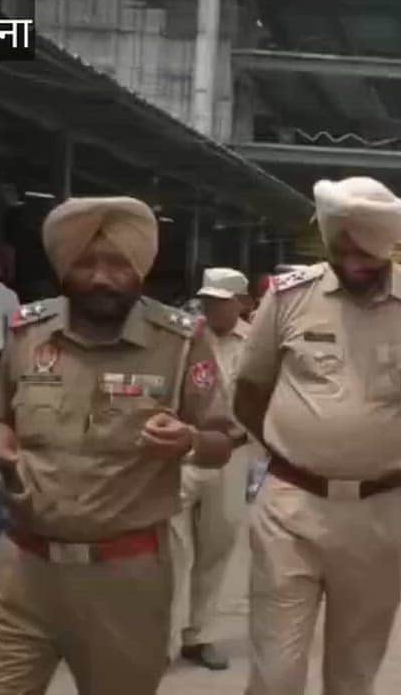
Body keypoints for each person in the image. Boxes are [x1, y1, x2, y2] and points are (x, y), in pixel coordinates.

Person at [0, 197, 234, 695]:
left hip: (125, 576)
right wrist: (2, 450)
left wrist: (189, 440)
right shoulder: (28, 333)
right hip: (22, 570)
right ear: (63, 268)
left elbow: (221, 441)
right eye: (86, 263)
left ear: (138, 269)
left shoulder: (180, 342)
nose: (101, 278)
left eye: (117, 264)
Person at [234, 177, 401, 695]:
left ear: (386, 244)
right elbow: (249, 389)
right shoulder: (290, 296)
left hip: (378, 514)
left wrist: (388, 452)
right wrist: (294, 449)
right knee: (275, 673)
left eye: (365, 250)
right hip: (290, 508)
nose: (352, 259)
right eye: (342, 247)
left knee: (354, 673)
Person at [168, 267, 260, 669]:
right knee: (172, 549)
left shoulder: (258, 343)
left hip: (234, 453)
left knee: (217, 547)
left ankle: (198, 634)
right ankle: (162, 637)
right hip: (185, 452)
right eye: (207, 301)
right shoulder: (184, 339)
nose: (212, 308)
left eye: (221, 302)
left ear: (241, 303)